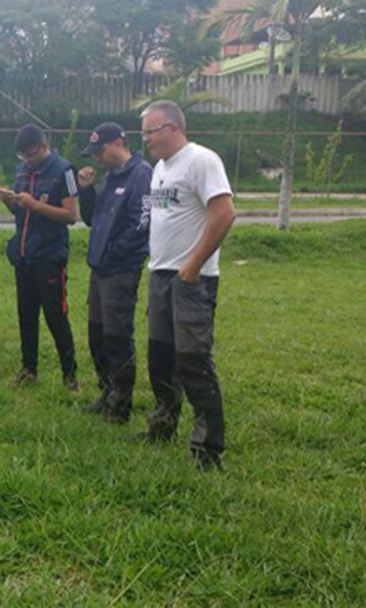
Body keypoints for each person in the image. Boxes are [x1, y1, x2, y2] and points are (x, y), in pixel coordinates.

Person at [139, 100, 236, 470]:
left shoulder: (201, 160)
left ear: (173, 128)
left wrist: (194, 263)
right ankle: (162, 426)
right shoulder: (159, 169)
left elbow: (224, 213)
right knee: (160, 357)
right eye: (144, 131)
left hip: (192, 279)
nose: (146, 138)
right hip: (160, 275)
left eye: (152, 131)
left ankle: (207, 450)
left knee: (193, 361)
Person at [77, 123, 152, 423]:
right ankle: (106, 393)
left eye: (101, 150)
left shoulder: (141, 174)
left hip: (120, 271)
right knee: (97, 335)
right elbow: (91, 219)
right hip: (99, 269)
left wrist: (113, 253)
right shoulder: (109, 178)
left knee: (117, 337)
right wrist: (85, 191)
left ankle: (120, 405)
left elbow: (142, 224)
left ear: (119, 143)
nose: (97, 157)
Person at [0, 124, 80, 391]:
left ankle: (69, 375)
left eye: (31, 156)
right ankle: (29, 368)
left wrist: (34, 204)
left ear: (44, 147)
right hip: (23, 255)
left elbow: (71, 216)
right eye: (23, 157)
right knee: (26, 314)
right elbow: (20, 213)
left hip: (50, 255)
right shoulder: (22, 169)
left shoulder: (64, 170)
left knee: (56, 316)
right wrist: (10, 201)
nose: (27, 162)